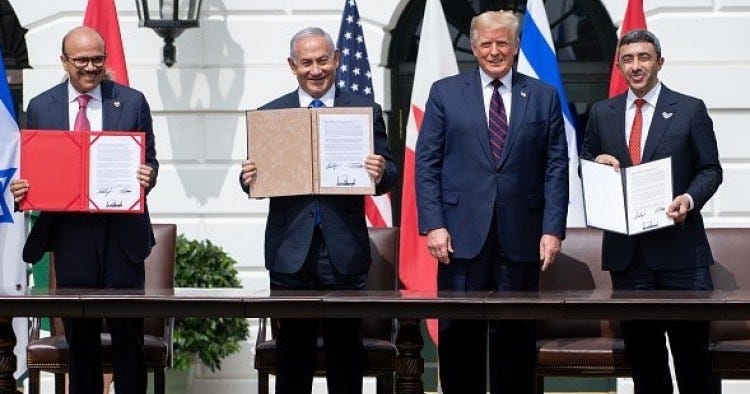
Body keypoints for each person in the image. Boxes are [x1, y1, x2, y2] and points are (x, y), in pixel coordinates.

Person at [415, 10, 568, 394]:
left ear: (516, 46)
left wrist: (553, 229)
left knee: (515, 343)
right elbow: (426, 163)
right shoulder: (445, 92)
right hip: (459, 239)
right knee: (459, 341)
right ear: (474, 46)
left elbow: (556, 167)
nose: (495, 51)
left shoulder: (543, 96)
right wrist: (433, 224)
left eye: (503, 42)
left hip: (521, 237)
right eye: (486, 43)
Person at [240, 27, 396, 394]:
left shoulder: (363, 110)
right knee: (293, 357)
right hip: (290, 251)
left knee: (346, 355)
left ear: (337, 59)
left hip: (343, 250)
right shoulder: (270, 115)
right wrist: (248, 178)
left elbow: (389, 174)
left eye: (323, 60)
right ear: (292, 65)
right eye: (306, 62)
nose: (316, 70)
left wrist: (380, 171)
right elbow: (255, 183)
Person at [10, 26, 157, 394]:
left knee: (128, 339)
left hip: (122, 236)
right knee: (81, 341)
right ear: (64, 62)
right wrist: (23, 188)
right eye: (82, 61)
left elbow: (150, 162)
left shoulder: (133, 101)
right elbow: (35, 169)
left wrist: (147, 175)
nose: (91, 68)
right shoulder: (42, 106)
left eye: (98, 59)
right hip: (71, 236)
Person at [580, 29, 722, 394]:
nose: (636, 66)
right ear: (619, 65)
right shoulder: (602, 113)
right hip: (630, 259)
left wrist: (688, 200)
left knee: (693, 364)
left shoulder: (690, 109)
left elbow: (710, 170)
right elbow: (585, 163)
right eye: (627, 59)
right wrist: (596, 162)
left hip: (681, 258)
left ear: (659, 62)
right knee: (645, 368)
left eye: (643, 58)